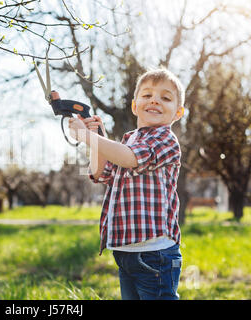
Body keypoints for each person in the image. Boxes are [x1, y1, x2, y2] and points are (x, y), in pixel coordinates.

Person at [68, 68, 185, 300]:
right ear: (134, 106)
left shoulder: (166, 139)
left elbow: (131, 159)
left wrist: (88, 137)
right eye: (147, 95)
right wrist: (97, 137)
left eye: (165, 97)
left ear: (178, 113)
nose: (154, 100)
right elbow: (99, 173)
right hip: (126, 252)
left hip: (155, 253)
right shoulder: (129, 140)